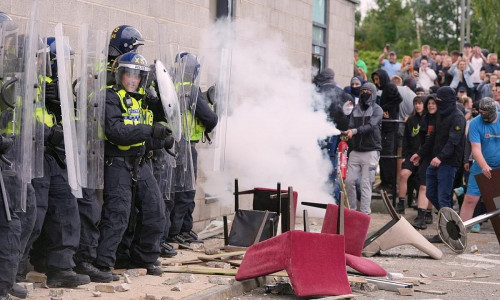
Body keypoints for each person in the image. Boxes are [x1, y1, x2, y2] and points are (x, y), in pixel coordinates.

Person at [21, 37, 91, 287]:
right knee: (34, 215)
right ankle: (14, 270)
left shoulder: (62, 90)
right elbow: (20, 115)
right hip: (33, 155)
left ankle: (61, 269)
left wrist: (62, 102)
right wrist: (47, 132)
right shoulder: (26, 82)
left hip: (57, 156)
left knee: (66, 211)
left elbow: (81, 123)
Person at [93, 52, 170, 276]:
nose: (133, 80)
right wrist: (150, 131)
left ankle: (144, 259)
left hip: (140, 162)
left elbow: (146, 135)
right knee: (118, 214)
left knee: (155, 210)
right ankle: (103, 263)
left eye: (137, 76)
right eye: (129, 75)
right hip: (116, 162)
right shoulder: (110, 97)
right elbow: (116, 132)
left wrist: (162, 139)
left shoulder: (144, 100)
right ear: (120, 75)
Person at [166, 52, 218, 245]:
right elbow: (210, 118)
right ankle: (179, 231)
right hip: (186, 147)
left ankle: (179, 229)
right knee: (186, 190)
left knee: (177, 190)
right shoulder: (191, 90)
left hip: (172, 145)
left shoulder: (172, 87)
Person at [411, 87, 466, 211]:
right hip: (435, 161)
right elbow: (432, 137)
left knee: (443, 196)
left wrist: (440, 157)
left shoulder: (458, 117)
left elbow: (453, 141)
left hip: (449, 162)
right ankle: (447, 214)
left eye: (440, 100)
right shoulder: (440, 116)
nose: (438, 102)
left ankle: (448, 224)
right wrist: (420, 154)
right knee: (430, 193)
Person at [344, 82, 383, 214]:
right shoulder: (354, 109)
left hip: (371, 150)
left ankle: (365, 213)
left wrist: (353, 131)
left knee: (365, 184)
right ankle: (352, 211)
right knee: (349, 181)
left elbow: (371, 126)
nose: (364, 93)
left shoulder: (377, 110)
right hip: (356, 150)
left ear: (373, 93)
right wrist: (347, 133)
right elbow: (350, 124)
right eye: (363, 91)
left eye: (368, 91)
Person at [459, 98, 500, 223]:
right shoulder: (475, 123)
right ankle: (460, 233)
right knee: (470, 199)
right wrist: (484, 166)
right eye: (480, 112)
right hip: (481, 164)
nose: (482, 115)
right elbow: (476, 149)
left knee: (497, 200)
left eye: (485, 113)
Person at [411, 95, 439, 229]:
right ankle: (421, 216)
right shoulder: (425, 119)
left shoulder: (441, 119)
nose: (431, 106)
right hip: (426, 156)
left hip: (439, 157)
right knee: (423, 186)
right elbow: (423, 142)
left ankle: (429, 212)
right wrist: (419, 156)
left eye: (433, 103)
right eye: (429, 103)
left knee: (431, 186)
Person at [372, 69, 402, 190]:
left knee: (387, 154)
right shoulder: (386, 88)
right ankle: (386, 181)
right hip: (385, 126)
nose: (376, 82)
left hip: (389, 126)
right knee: (384, 154)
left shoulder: (389, 87)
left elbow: (397, 99)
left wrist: (384, 110)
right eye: (375, 80)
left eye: (378, 79)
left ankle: (388, 182)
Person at [395, 96, 425, 214]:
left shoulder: (429, 120)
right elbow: (406, 140)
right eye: (415, 103)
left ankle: (424, 209)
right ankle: (401, 203)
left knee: (421, 183)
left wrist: (421, 156)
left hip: (424, 156)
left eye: (420, 103)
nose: (417, 106)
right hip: (411, 155)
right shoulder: (411, 120)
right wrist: (404, 156)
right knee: (403, 174)